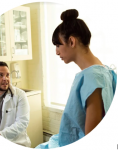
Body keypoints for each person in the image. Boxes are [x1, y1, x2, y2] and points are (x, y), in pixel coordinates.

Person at [35, 9, 117, 149]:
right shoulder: (103, 71)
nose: (56, 52)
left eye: (58, 45)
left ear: (71, 41)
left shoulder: (93, 78)